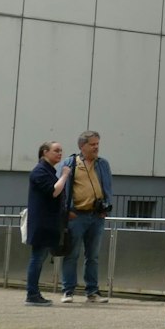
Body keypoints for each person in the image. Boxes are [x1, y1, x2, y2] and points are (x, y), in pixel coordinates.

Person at [53, 130, 113, 304]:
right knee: (72, 254)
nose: (96, 147)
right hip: (76, 215)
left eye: (97, 144)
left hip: (97, 216)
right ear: (82, 146)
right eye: (92, 144)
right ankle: (68, 290)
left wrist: (106, 207)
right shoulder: (70, 163)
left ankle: (92, 292)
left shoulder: (103, 164)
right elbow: (62, 189)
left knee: (93, 256)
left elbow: (108, 187)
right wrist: (66, 211)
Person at [23, 141, 66, 305]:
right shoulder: (40, 171)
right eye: (56, 151)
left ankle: (33, 293)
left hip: (47, 222)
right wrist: (65, 175)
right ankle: (32, 294)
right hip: (42, 223)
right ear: (44, 152)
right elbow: (54, 191)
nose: (59, 154)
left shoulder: (47, 171)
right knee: (37, 257)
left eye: (61, 151)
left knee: (39, 257)